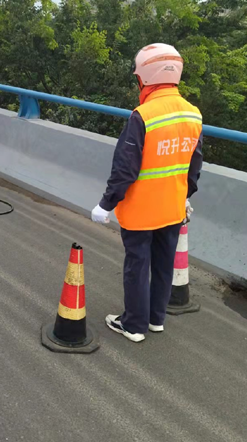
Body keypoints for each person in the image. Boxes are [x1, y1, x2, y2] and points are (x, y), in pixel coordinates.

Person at [91, 43, 203, 343]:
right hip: (172, 208)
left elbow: (125, 169)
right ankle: (155, 319)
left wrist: (106, 204)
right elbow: (194, 165)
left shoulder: (143, 116)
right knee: (164, 264)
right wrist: (186, 195)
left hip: (141, 211)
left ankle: (134, 325)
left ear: (146, 78)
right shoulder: (193, 115)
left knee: (137, 266)